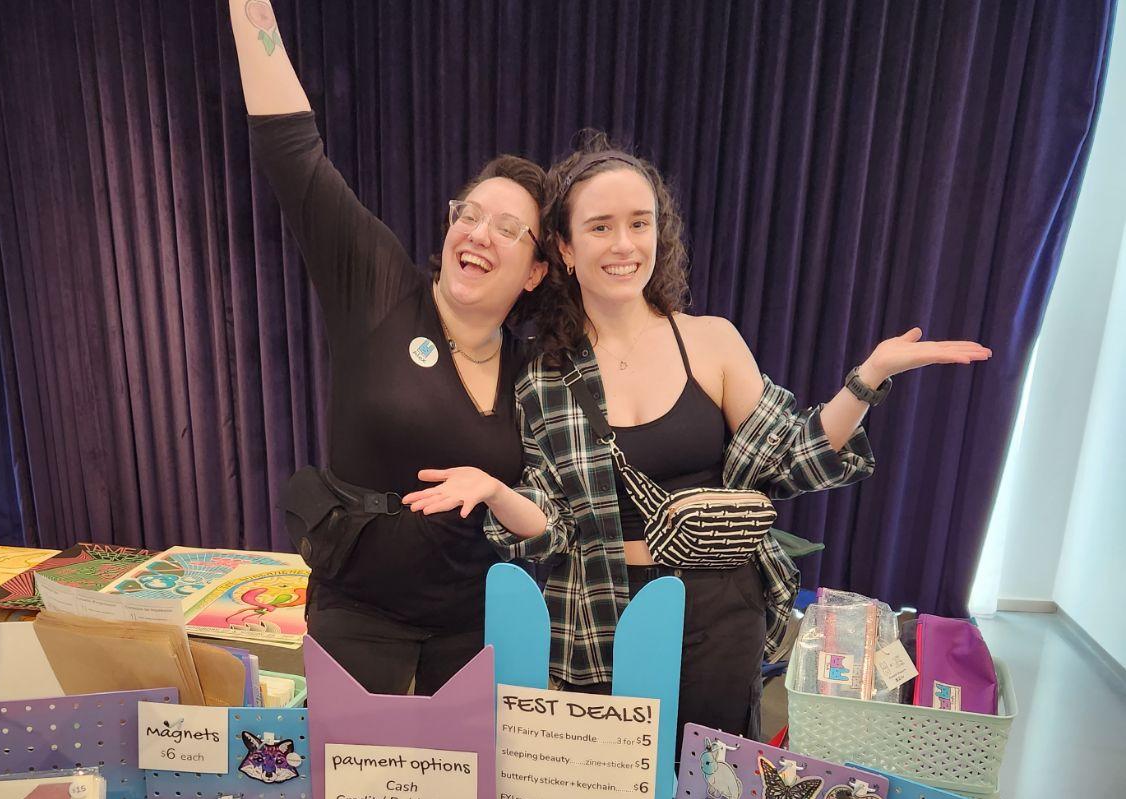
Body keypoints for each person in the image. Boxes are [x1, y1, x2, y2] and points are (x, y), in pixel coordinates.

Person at [405, 134, 990, 736]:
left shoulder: (710, 340)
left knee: (711, 798)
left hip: (718, 611)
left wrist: (870, 377)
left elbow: (790, 460)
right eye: (600, 227)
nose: (624, 244)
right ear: (565, 248)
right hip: (600, 617)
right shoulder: (539, 373)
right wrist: (497, 492)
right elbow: (548, 522)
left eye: (640, 223)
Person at [228, 0, 547, 694]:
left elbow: (552, 513)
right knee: (356, 798)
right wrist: (247, 11)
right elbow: (293, 153)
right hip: (357, 623)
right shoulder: (380, 291)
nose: (478, 233)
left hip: (474, 633)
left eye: (508, 227)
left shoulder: (536, 374)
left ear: (537, 269)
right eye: (469, 213)